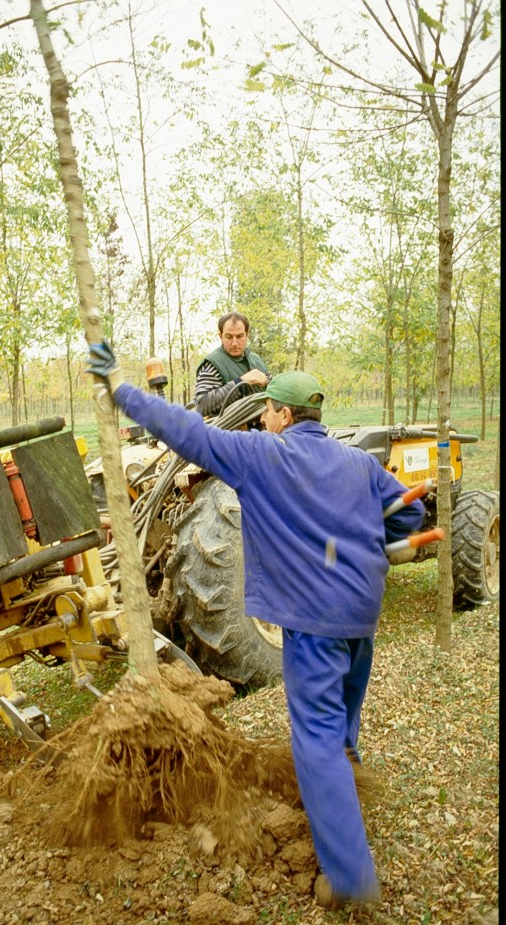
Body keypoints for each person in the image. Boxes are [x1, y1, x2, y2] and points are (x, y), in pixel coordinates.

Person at [86, 342, 425, 909]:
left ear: (284, 416)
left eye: (267, 408)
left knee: (314, 737)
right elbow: (411, 511)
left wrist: (123, 391)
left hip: (313, 623)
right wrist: (369, 541)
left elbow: (186, 431)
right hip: (361, 615)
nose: (263, 416)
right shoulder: (360, 463)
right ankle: (348, 793)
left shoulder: (261, 456)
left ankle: (350, 879)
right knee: (343, 717)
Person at [193, 311, 270, 416]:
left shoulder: (257, 361)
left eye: (239, 336)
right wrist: (240, 382)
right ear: (220, 336)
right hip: (229, 431)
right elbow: (202, 405)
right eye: (229, 337)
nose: (234, 343)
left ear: (247, 335)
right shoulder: (213, 364)